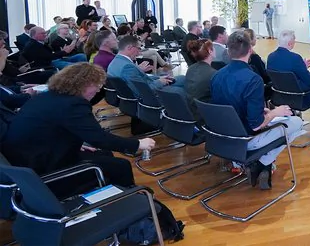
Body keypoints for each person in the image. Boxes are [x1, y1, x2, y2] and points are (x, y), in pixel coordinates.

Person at [1, 63, 156, 198]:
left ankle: (111, 192)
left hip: (28, 160)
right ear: (84, 84)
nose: (98, 90)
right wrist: (138, 144)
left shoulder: (47, 97)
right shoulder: (73, 105)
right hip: (44, 170)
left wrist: (75, 144)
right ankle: (129, 200)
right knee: (121, 165)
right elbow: (99, 138)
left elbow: (47, 131)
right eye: (97, 85)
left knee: (103, 154)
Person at [211, 31, 304, 190]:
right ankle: (262, 162)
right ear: (250, 50)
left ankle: (261, 165)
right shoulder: (252, 79)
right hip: (246, 139)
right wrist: (275, 112)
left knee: (277, 121)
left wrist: (263, 111)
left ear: (229, 51)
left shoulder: (216, 76)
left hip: (223, 136)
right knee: (296, 122)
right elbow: (256, 125)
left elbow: (229, 105)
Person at [266, 30, 310, 130]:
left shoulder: (271, 57)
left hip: (280, 95)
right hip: (299, 97)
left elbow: (285, 72)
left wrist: (302, 67)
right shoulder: (295, 58)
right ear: (290, 43)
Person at [184, 39, 217, 121]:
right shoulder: (213, 74)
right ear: (210, 51)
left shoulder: (191, 69)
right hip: (208, 117)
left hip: (192, 113)